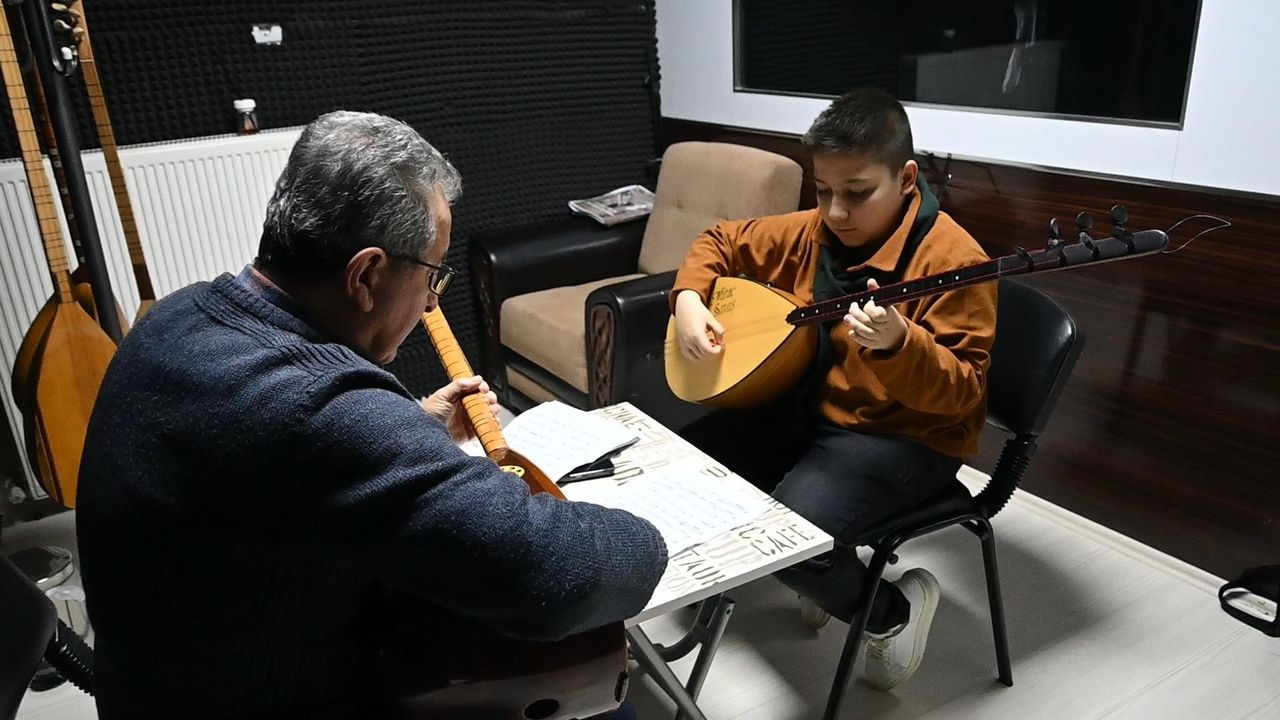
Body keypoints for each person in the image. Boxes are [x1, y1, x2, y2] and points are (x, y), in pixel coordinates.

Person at [76, 111, 667, 719]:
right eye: (433, 275)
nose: (432, 303)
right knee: (604, 697)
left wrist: (416, 426)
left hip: (161, 679)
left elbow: (277, 475)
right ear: (365, 275)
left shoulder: (177, 316)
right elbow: (558, 580)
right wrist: (653, 540)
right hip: (264, 695)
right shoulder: (321, 408)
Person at [671, 88, 997, 690]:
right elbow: (719, 240)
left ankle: (893, 613)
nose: (835, 212)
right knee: (685, 467)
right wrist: (689, 299)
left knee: (791, 541)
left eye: (856, 192)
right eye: (822, 190)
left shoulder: (955, 260)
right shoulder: (813, 231)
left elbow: (963, 394)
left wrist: (901, 345)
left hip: (905, 436)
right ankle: (827, 575)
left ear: (905, 178)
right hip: (814, 410)